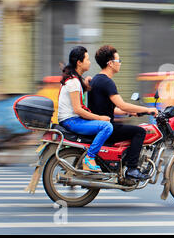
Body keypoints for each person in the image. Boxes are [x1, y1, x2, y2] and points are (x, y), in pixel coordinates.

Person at [88, 45, 158, 180]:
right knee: (140, 132)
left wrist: (130, 113)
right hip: (107, 128)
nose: (120, 64)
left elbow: (106, 107)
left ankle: (124, 163)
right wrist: (148, 109)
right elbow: (123, 104)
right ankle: (132, 169)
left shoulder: (97, 79)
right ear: (110, 63)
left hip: (98, 125)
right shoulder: (107, 82)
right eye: (118, 61)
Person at [58, 46, 113, 172]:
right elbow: (78, 109)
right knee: (106, 126)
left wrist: (86, 82)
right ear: (79, 62)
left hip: (71, 120)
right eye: (87, 59)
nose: (89, 62)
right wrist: (100, 118)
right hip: (71, 121)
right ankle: (89, 158)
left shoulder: (75, 79)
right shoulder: (73, 82)